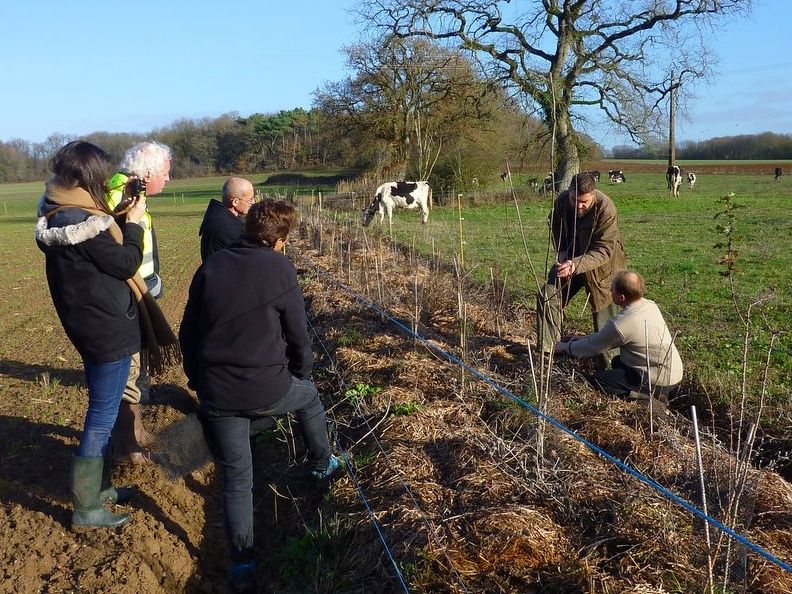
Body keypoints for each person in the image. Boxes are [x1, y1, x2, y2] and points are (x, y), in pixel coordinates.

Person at [179, 199, 342, 593]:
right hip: (268, 387)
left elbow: (188, 332)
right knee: (310, 399)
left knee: (238, 478)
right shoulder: (279, 268)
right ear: (280, 237)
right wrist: (301, 373)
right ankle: (322, 463)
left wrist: (197, 379)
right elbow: (298, 332)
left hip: (217, 392)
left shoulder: (211, 267)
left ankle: (242, 565)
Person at [35, 141, 177, 528]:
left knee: (105, 408)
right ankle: (86, 508)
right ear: (90, 177)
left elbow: (97, 251)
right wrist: (133, 223)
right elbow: (126, 260)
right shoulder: (87, 225)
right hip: (106, 329)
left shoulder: (58, 211)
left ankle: (101, 490)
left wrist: (121, 212)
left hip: (86, 322)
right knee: (101, 416)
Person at [105, 141, 172, 463]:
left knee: (140, 363)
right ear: (147, 174)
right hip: (126, 297)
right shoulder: (119, 198)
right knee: (129, 367)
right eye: (166, 173)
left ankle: (137, 431)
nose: (169, 179)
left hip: (139, 291)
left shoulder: (134, 195)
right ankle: (127, 444)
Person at [536, 172, 627, 364]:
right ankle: (549, 352)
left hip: (602, 267)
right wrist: (561, 248)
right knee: (548, 296)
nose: (578, 205)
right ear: (568, 192)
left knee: (604, 317)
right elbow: (554, 223)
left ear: (593, 194)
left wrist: (576, 264)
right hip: (569, 259)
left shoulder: (606, 208)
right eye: (574, 199)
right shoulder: (562, 201)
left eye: (583, 201)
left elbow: (604, 250)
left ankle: (609, 365)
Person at [554, 270, 683, 400]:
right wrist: (584, 338)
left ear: (621, 297)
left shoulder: (622, 324)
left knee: (599, 380)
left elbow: (593, 347)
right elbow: (604, 338)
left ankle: (645, 396)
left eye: (612, 289)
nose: (610, 290)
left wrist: (566, 347)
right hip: (673, 376)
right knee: (617, 361)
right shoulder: (650, 305)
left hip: (657, 382)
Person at [198, 176, 254, 261]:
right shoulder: (226, 228)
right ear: (235, 202)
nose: (253, 202)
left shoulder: (220, 217)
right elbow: (249, 257)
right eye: (250, 200)